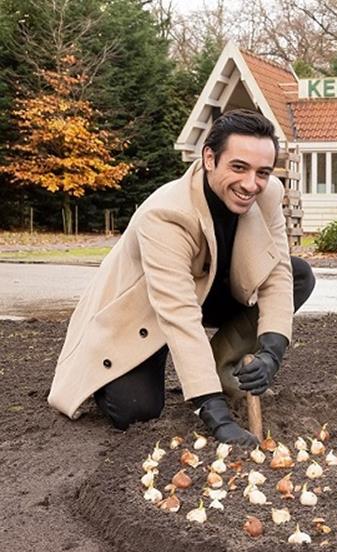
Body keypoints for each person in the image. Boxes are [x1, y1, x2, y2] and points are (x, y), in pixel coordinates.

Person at [48, 109, 315, 445]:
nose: (251, 184)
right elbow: (178, 313)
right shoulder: (166, 214)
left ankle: (222, 368)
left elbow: (276, 273)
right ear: (209, 158)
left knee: (299, 275)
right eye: (238, 167)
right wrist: (215, 416)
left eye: (262, 172)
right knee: (135, 410)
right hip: (145, 311)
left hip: (210, 288)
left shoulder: (268, 193)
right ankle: (152, 360)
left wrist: (270, 353)